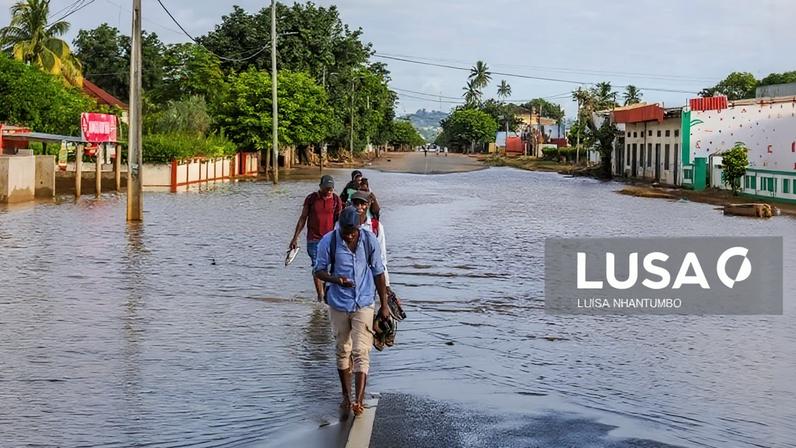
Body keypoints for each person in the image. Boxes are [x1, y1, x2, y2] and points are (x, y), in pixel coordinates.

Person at [314, 206, 389, 417]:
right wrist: (336, 280)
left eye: (352, 232)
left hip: (364, 302)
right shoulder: (328, 241)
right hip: (338, 302)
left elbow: (379, 272)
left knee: (361, 351)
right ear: (339, 226)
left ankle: (358, 400)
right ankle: (346, 396)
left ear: (358, 227)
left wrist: (384, 305)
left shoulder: (369, 240)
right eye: (345, 232)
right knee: (342, 350)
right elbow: (319, 270)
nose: (348, 236)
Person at [289, 175, 343, 303]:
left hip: (330, 240)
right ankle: (320, 297)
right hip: (313, 239)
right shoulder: (311, 199)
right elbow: (303, 218)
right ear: (321, 187)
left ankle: (325, 295)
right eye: (327, 189)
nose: (329, 191)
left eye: (331, 189)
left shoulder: (336, 200)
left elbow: (339, 219)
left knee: (329, 268)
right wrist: (295, 237)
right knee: (317, 267)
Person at [350, 191, 388, 286]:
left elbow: (382, 258)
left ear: (368, 205)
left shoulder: (376, 227)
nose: (359, 207)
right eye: (356, 203)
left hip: (368, 278)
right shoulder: (341, 224)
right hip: (347, 277)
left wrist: (386, 285)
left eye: (362, 203)